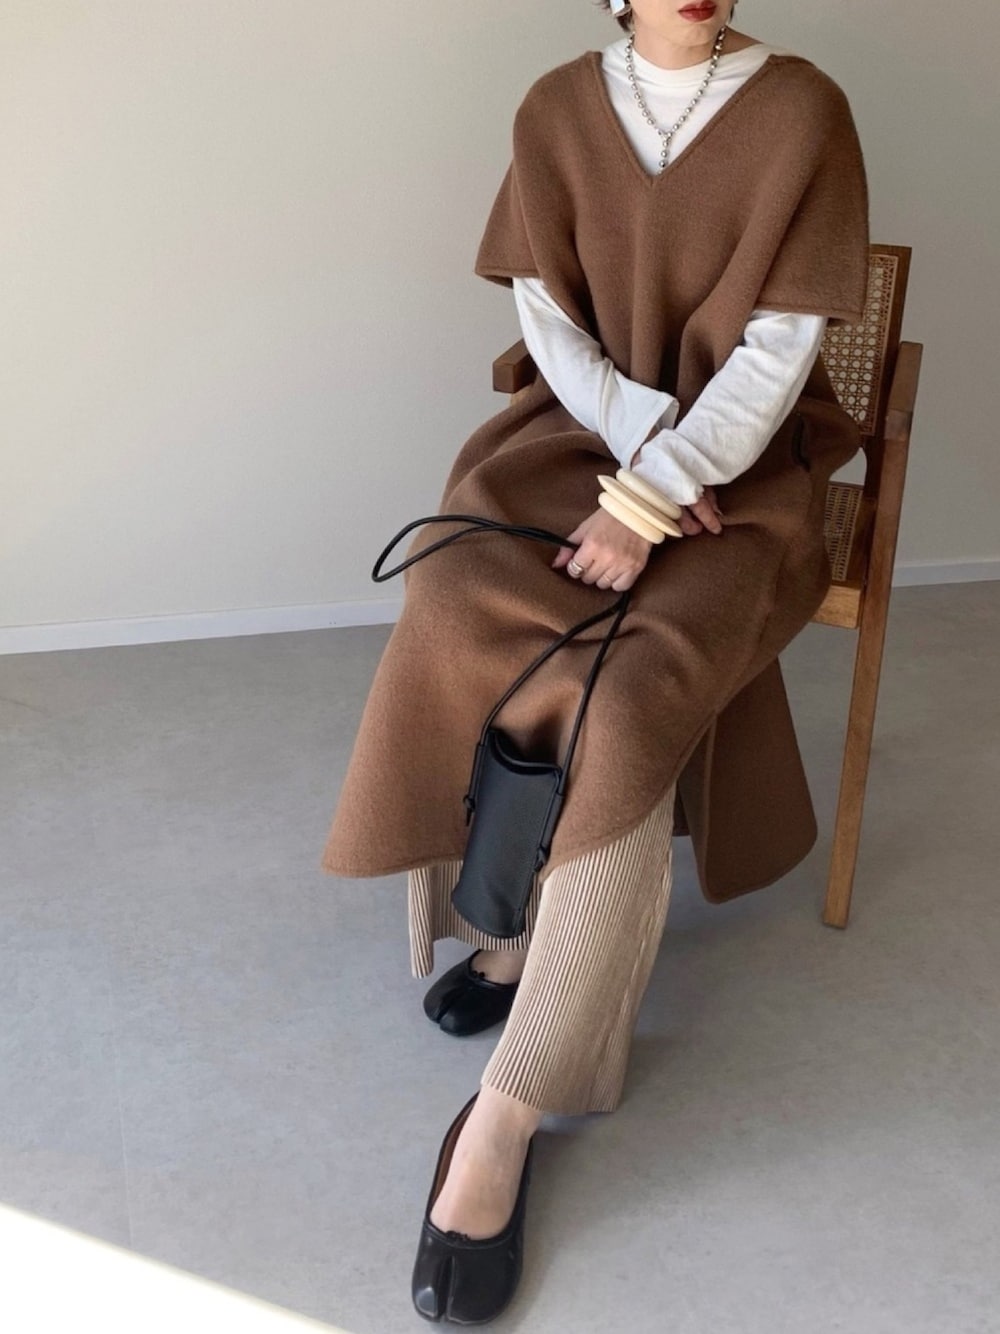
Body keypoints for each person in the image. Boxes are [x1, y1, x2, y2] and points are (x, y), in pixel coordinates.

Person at [322, 0, 870, 1323]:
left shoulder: (805, 111)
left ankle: (507, 1111)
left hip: (744, 474)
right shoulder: (557, 108)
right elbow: (550, 323)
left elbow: (779, 355)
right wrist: (633, 445)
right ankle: (509, 930)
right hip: (579, 435)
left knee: (622, 695)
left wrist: (661, 485)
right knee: (456, 601)